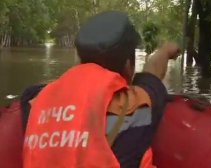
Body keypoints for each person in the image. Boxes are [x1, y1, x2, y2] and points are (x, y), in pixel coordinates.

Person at [21, 11, 180, 168]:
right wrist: (165, 51)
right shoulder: (137, 105)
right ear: (128, 64)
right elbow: (152, 73)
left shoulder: (33, 102)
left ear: (80, 60)